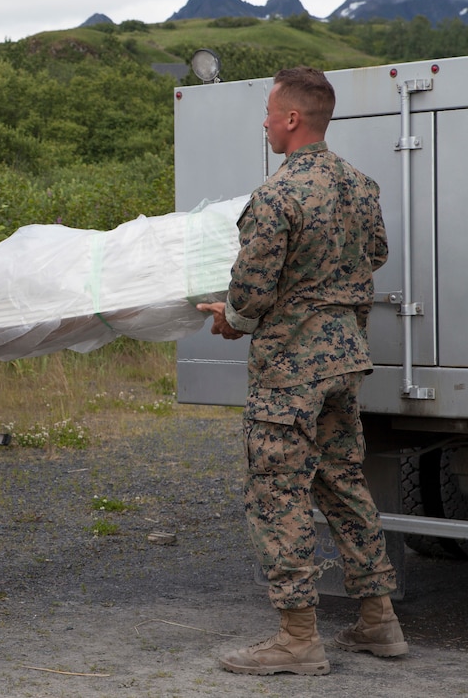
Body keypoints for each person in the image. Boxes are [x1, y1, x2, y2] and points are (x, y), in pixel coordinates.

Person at [198, 66, 407, 676]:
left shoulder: (278, 193)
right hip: (346, 359)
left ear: (292, 118)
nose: (263, 121)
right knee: (343, 482)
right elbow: (376, 254)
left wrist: (231, 316)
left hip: (291, 368)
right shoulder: (359, 185)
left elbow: (253, 289)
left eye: (268, 111)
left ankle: (297, 637)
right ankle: (379, 621)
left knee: (277, 492)